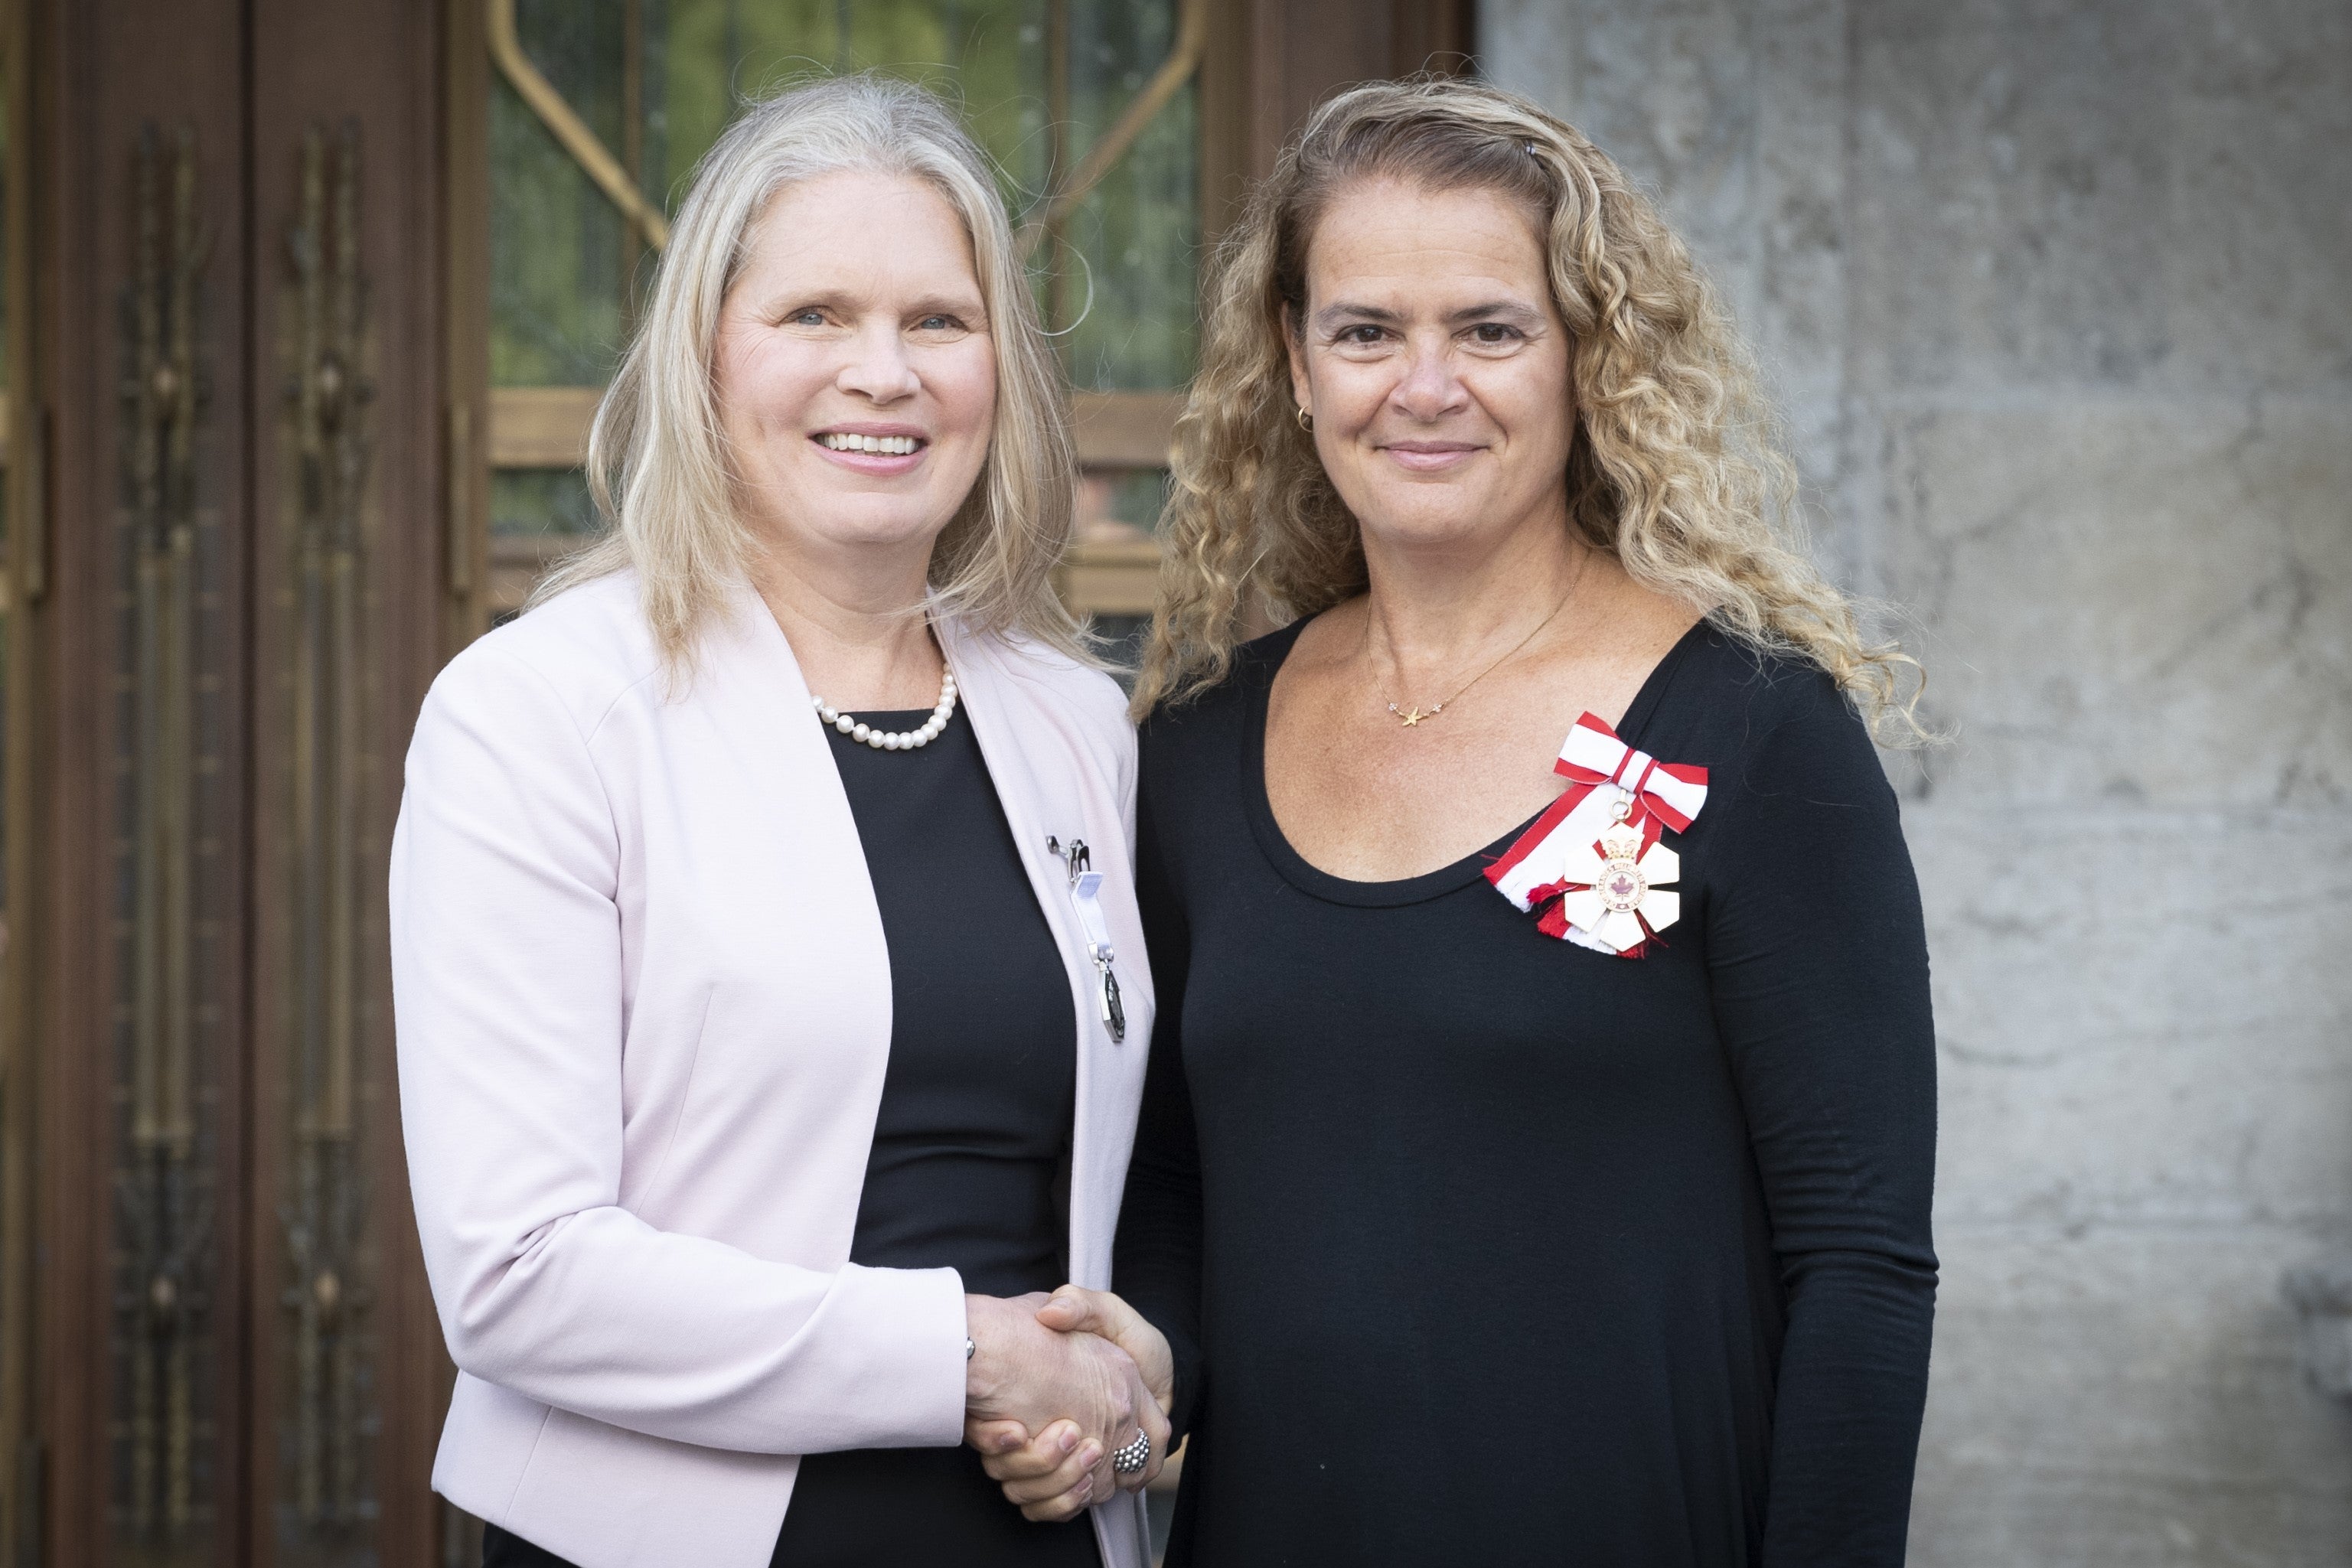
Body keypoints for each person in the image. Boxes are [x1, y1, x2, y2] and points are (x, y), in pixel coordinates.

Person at [979, 77, 1939, 1564]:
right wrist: (1134, 1378)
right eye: (1364, 331)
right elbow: (1176, 1184)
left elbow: (1859, 1263)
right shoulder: (1193, 744)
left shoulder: (1743, 728)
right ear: (1293, 367)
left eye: (1489, 329)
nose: (1422, 385)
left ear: (1585, 361)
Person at [390, 77, 1166, 1568]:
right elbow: (519, 1271)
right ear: (707, 352)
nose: (882, 372)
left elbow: (1118, 1210)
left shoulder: (1074, 722)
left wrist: (1131, 1405)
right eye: (814, 314)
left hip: (1036, 1533)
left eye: (937, 321)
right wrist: (956, 1352)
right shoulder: (541, 712)